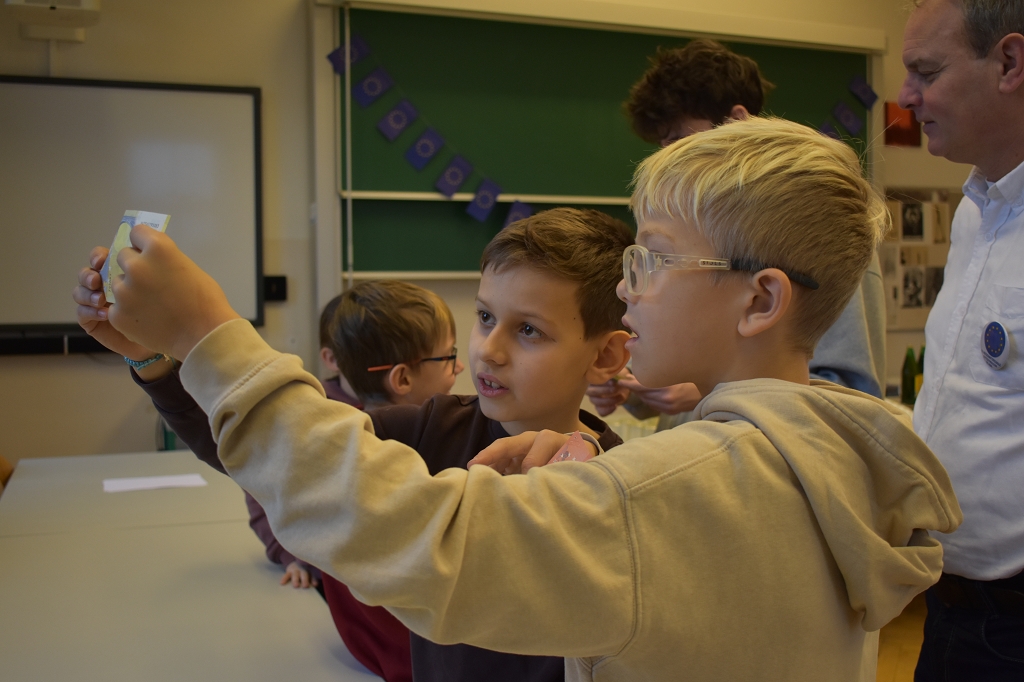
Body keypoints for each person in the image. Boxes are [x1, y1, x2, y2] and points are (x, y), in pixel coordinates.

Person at [83, 118, 959, 682]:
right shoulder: (825, 459)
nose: (630, 287)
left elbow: (407, 534)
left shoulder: (665, 489)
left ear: (760, 300)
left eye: (654, 258)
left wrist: (210, 335)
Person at [75, 207, 633, 682]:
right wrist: (152, 359)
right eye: (485, 317)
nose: (489, 350)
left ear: (605, 355)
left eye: (529, 330)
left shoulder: (622, 485)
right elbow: (280, 451)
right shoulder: (431, 426)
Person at [589, 39, 888, 425]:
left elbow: (852, 391)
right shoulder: (689, 234)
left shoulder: (813, 227)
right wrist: (638, 391)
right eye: (662, 144)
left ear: (736, 120)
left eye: (680, 139)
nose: (668, 157)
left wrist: (707, 392)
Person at [896, 1, 1024, 679]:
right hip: (950, 606)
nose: (904, 96)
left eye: (926, 72)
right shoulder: (978, 214)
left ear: (1010, 63)